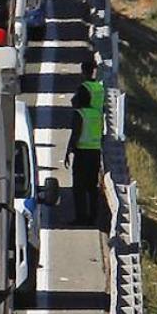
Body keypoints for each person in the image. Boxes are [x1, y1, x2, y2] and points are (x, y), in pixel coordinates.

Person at [66, 57, 105, 226]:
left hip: (82, 151)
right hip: (95, 150)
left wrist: (68, 150)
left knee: (79, 187)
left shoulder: (80, 113)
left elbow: (76, 132)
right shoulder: (99, 92)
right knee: (92, 186)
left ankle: (81, 217)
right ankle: (93, 217)